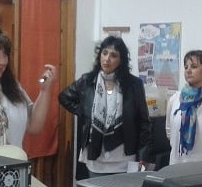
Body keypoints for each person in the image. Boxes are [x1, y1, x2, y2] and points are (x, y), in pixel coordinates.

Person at [58, 35, 151, 178]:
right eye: (105, 53)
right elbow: (64, 97)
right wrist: (84, 111)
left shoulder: (134, 84)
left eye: (113, 55)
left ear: (121, 60)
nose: (107, 59)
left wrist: (143, 155)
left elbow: (144, 122)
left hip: (124, 158)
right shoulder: (88, 81)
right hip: (96, 157)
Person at [165, 50, 202, 165]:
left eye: (194, 66)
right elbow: (169, 132)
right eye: (186, 67)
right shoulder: (175, 99)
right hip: (177, 165)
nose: (188, 70)